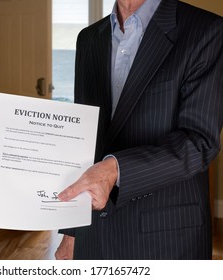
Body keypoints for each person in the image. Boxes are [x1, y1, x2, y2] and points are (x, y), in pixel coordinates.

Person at [54, 0, 223, 260]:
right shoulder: (87, 39)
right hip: (94, 235)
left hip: (165, 238)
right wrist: (71, 232)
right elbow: (84, 139)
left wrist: (114, 169)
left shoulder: (207, 30)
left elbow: (199, 141)